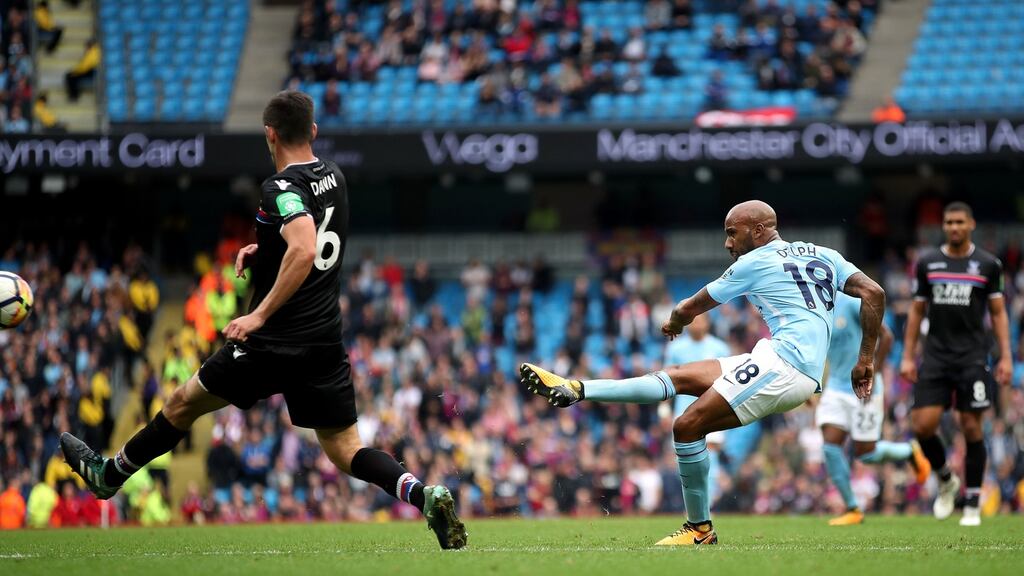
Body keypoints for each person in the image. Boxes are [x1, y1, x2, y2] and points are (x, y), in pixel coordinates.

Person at [60, 90, 467, 549]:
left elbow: (305, 246)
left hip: (274, 341)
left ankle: (107, 476)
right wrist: (267, 248)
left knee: (180, 404)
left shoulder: (281, 188)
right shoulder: (333, 175)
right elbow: (308, 236)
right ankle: (421, 492)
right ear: (312, 131)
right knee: (346, 449)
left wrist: (257, 315)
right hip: (323, 341)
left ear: (269, 135)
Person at [521, 200, 885, 545]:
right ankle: (577, 389)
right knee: (678, 376)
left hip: (785, 367)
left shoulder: (754, 261)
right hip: (777, 358)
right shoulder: (825, 254)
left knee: (686, 426)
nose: (728, 243)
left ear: (758, 230)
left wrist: (674, 321)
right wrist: (865, 359)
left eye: (732, 232)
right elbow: (873, 292)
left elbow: (691, 305)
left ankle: (699, 529)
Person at [900, 201, 1012, 527]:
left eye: (959, 221)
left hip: (972, 356)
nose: (953, 227)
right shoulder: (928, 263)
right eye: (949, 222)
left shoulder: (989, 265)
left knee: (971, 426)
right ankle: (947, 479)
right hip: (935, 355)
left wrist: (1005, 355)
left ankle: (973, 501)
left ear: (971, 224)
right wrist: (908, 356)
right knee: (922, 425)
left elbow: (998, 313)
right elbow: (917, 312)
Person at [816, 292, 931, 526]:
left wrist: (872, 374)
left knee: (866, 454)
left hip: (863, 388)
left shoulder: (849, 303)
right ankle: (852, 508)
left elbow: (887, 337)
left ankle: (909, 451)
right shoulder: (815, 310)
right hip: (837, 387)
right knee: (830, 446)